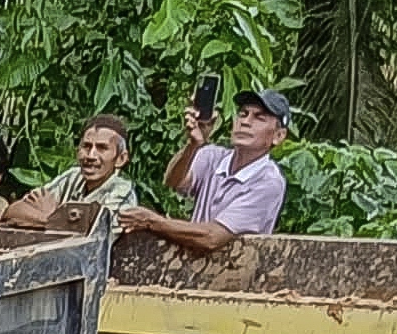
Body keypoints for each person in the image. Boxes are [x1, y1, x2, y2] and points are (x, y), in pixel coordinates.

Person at [120, 87, 290, 256]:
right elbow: (173, 182)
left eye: (259, 118)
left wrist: (152, 221)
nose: (245, 122)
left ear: (279, 136)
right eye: (243, 114)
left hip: (231, 277)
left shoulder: (269, 182)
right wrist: (193, 144)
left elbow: (212, 238)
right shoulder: (212, 155)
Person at [1, 114, 141, 228]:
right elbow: (14, 211)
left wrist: (53, 215)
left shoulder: (122, 192)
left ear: (121, 159)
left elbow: (92, 237)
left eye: (102, 148)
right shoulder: (73, 176)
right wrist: (51, 219)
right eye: (86, 146)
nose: (90, 156)